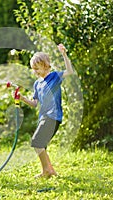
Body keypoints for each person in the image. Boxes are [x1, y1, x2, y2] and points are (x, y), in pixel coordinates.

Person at [19, 44, 74, 178]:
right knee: (41, 145)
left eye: (37, 68)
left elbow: (70, 71)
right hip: (43, 117)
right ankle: (49, 171)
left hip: (53, 116)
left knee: (37, 142)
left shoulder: (54, 77)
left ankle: (47, 171)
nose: (35, 71)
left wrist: (64, 55)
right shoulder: (37, 83)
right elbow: (34, 103)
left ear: (45, 65)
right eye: (33, 69)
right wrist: (22, 98)